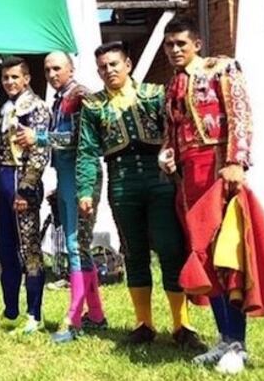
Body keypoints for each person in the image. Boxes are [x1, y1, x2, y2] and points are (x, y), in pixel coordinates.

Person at [76, 41, 204, 349]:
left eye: (114, 64)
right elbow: (87, 151)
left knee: (170, 248)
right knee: (133, 251)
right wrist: (85, 190)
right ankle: (143, 323)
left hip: (159, 178)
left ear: (128, 65)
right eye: (103, 67)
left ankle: (182, 325)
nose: (109, 71)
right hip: (122, 181)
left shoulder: (154, 94)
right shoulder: (93, 106)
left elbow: (176, 131)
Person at [160, 17, 254, 367]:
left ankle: (238, 343)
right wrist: (167, 154)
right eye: (169, 45)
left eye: (180, 44)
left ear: (197, 44)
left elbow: (240, 116)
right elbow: (172, 132)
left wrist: (236, 161)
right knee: (203, 255)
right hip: (189, 179)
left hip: (217, 168)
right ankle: (224, 337)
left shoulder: (221, 68)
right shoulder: (173, 84)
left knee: (227, 255)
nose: (174, 50)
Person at [35, 52, 107, 344]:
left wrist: (39, 138)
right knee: (78, 245)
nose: (52, 74)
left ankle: (74, 318)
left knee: (77, 245)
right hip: (66, 176)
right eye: (47, 70)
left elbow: (80, 139)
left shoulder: (80, 96)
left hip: (81, 177)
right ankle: (96, 315)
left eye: (57, 68)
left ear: (71, 69)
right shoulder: (61, 98)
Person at [0, 56, 50, 335]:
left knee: (29, 249)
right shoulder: (5, 108)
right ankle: (10, 311)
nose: (9, 82)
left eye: (15, 77)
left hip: (21, 182)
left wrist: (26, 188)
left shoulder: (37, 107)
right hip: (2, 180)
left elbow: (40, 153)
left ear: (26, 78)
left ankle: (34, 314)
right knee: (5, 249)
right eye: (5, 78)